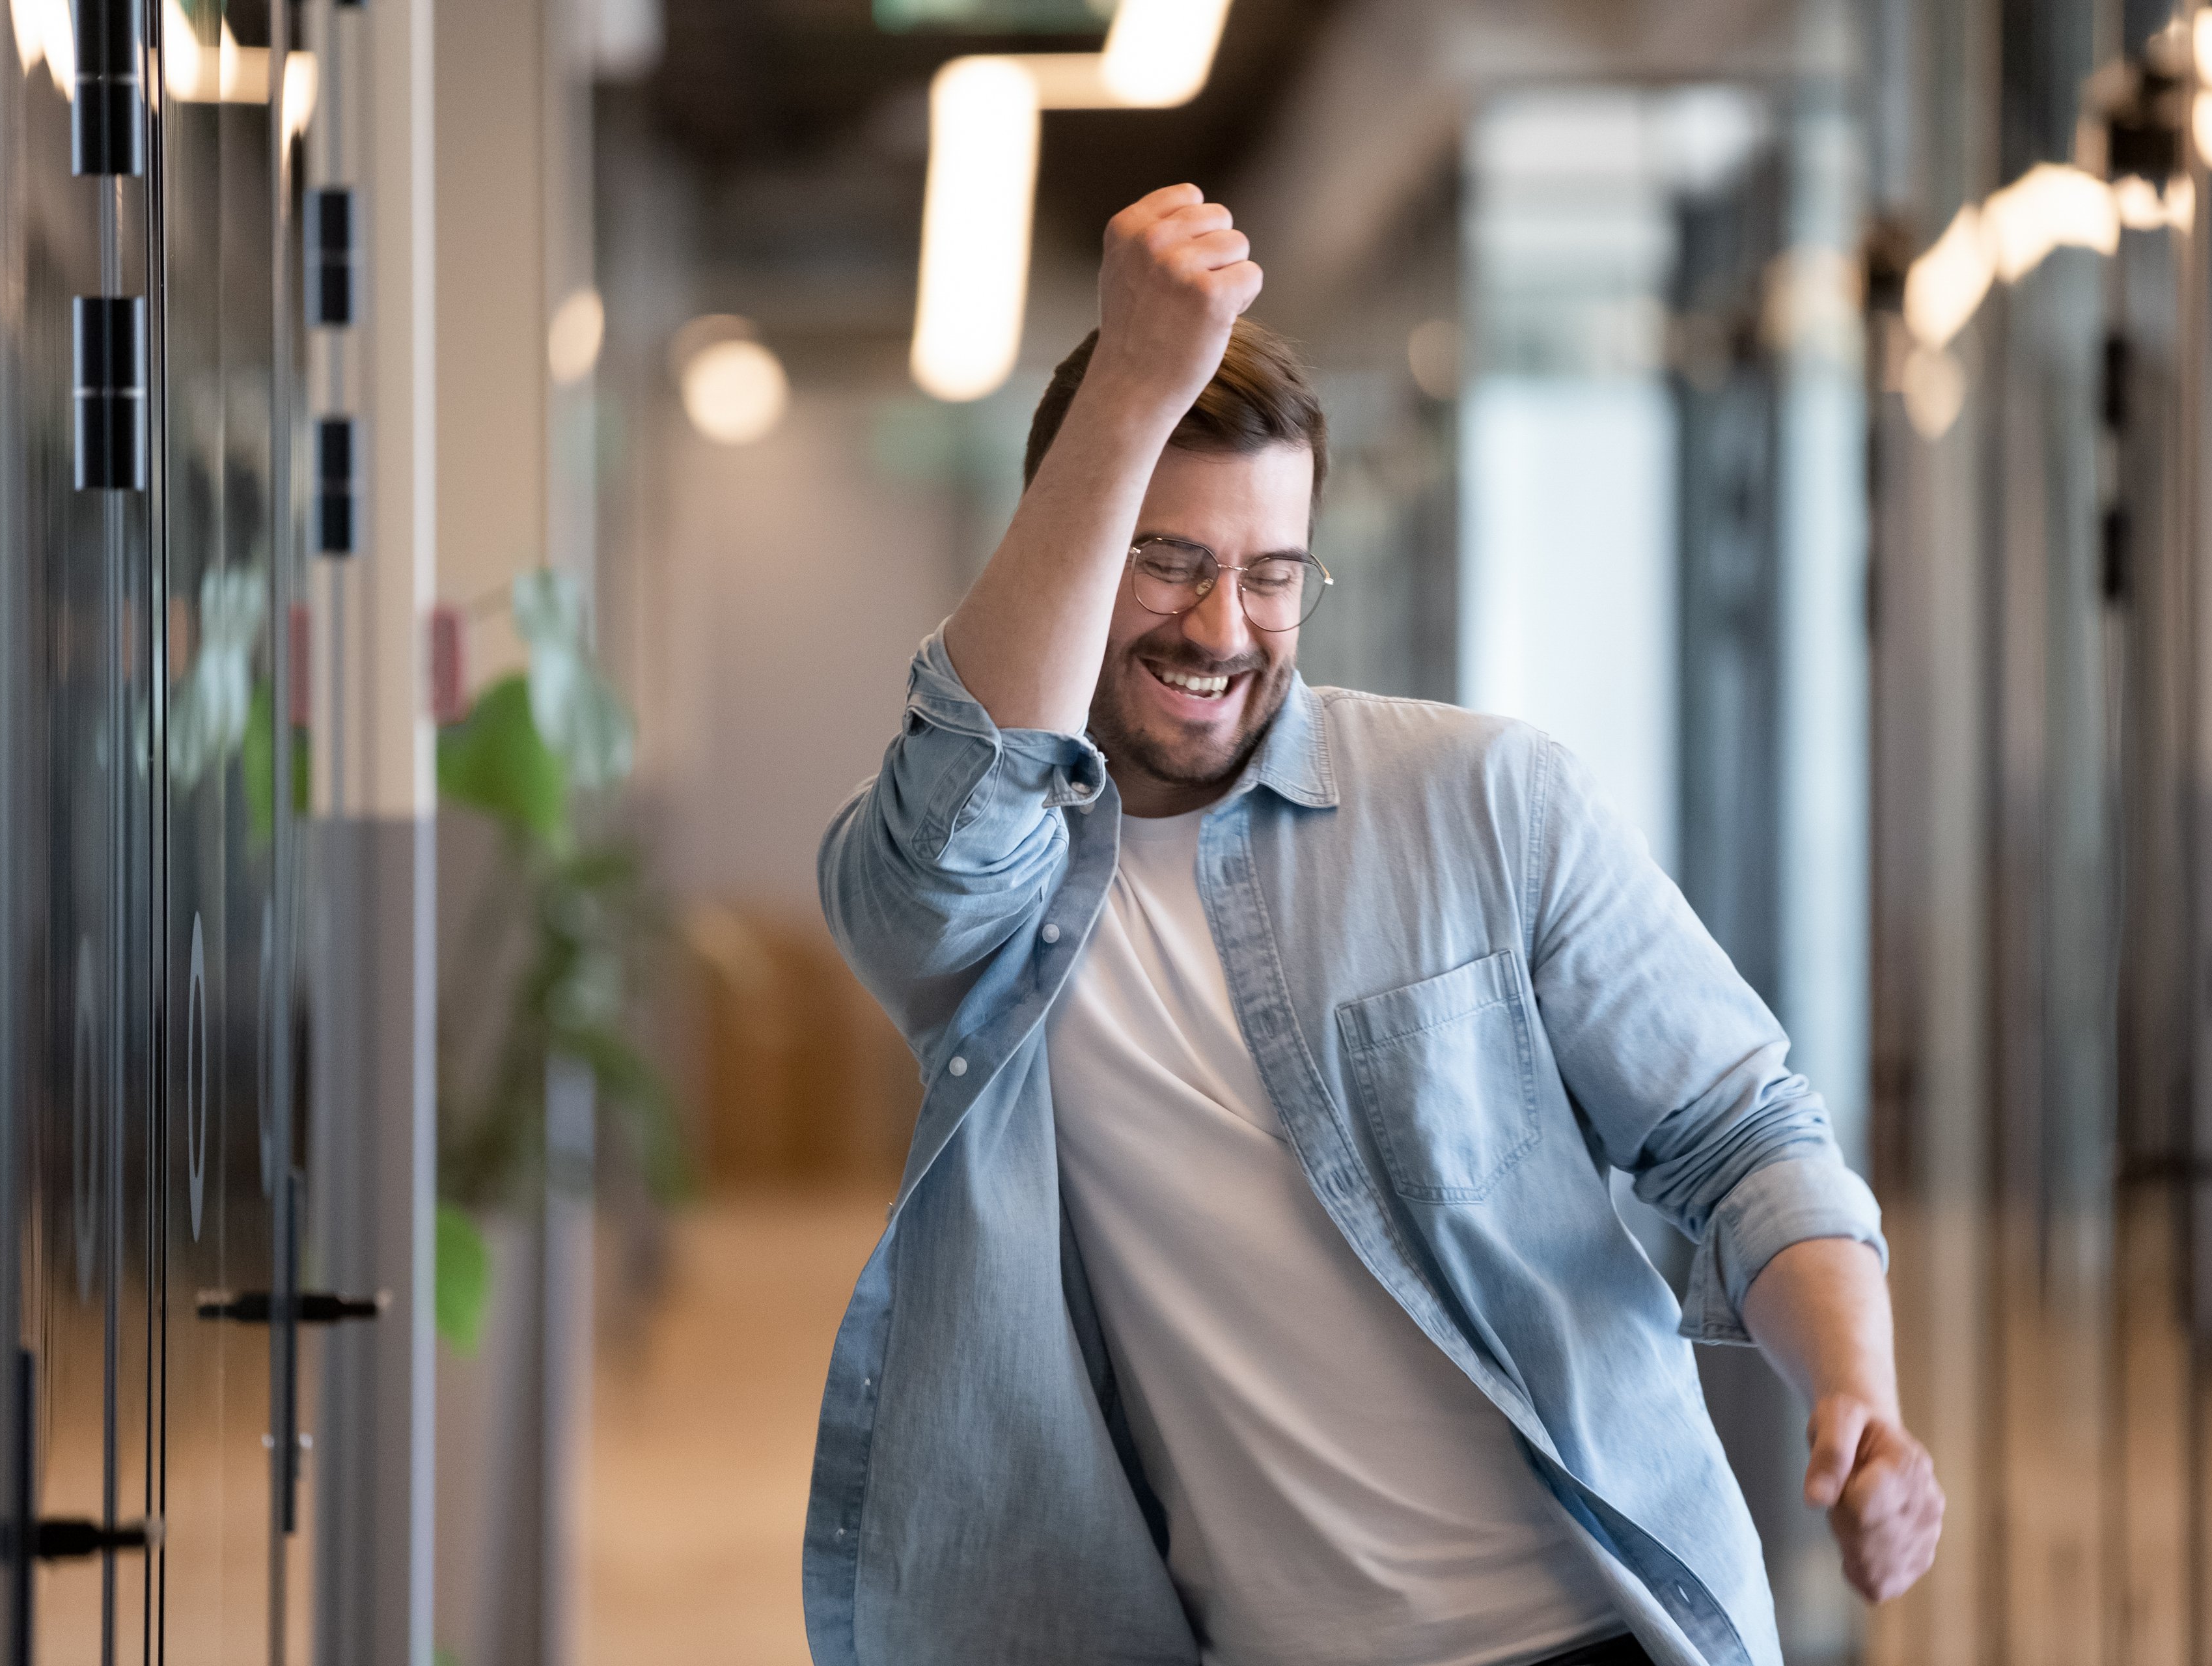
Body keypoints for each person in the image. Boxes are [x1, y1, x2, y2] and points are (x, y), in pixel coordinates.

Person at [808, 184, 1944, 1666]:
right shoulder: (983, 907)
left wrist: (1854, 1388)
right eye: (1168, 559)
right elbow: (959, 810)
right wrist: (1135, 383)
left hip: (1602, 1628)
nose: (1222, 627)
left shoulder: (1487, 798)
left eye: (1271, 574)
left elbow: (1740, 1130)